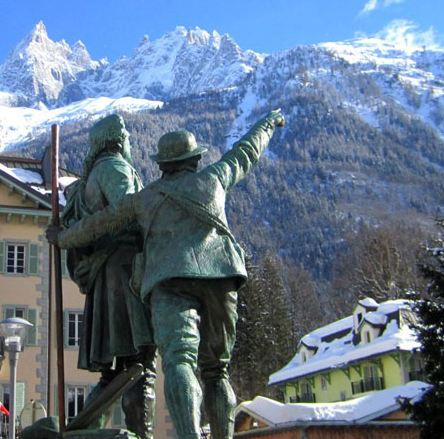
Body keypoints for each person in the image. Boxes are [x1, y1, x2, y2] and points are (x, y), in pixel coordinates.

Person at [49, 109, 286, 439]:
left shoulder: (144, 199)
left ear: (162, 164)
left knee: (178, 363)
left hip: (168, 281)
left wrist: (62, 238)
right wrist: (269, 123)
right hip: (220, 277)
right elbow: (247, 150)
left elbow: (97, 224)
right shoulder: (214, 178)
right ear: (194, 158)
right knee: (217, 371)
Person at [60, 114, 156, 439]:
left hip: (105, 278)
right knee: (140, 366)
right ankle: (143, 436)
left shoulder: (89, 178)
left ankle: (85, 430)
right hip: (127, 274)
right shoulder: (115, 167)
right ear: (116, 140)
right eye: (126, 136)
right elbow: (128, 212)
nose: (129, 141)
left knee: (110, 374)